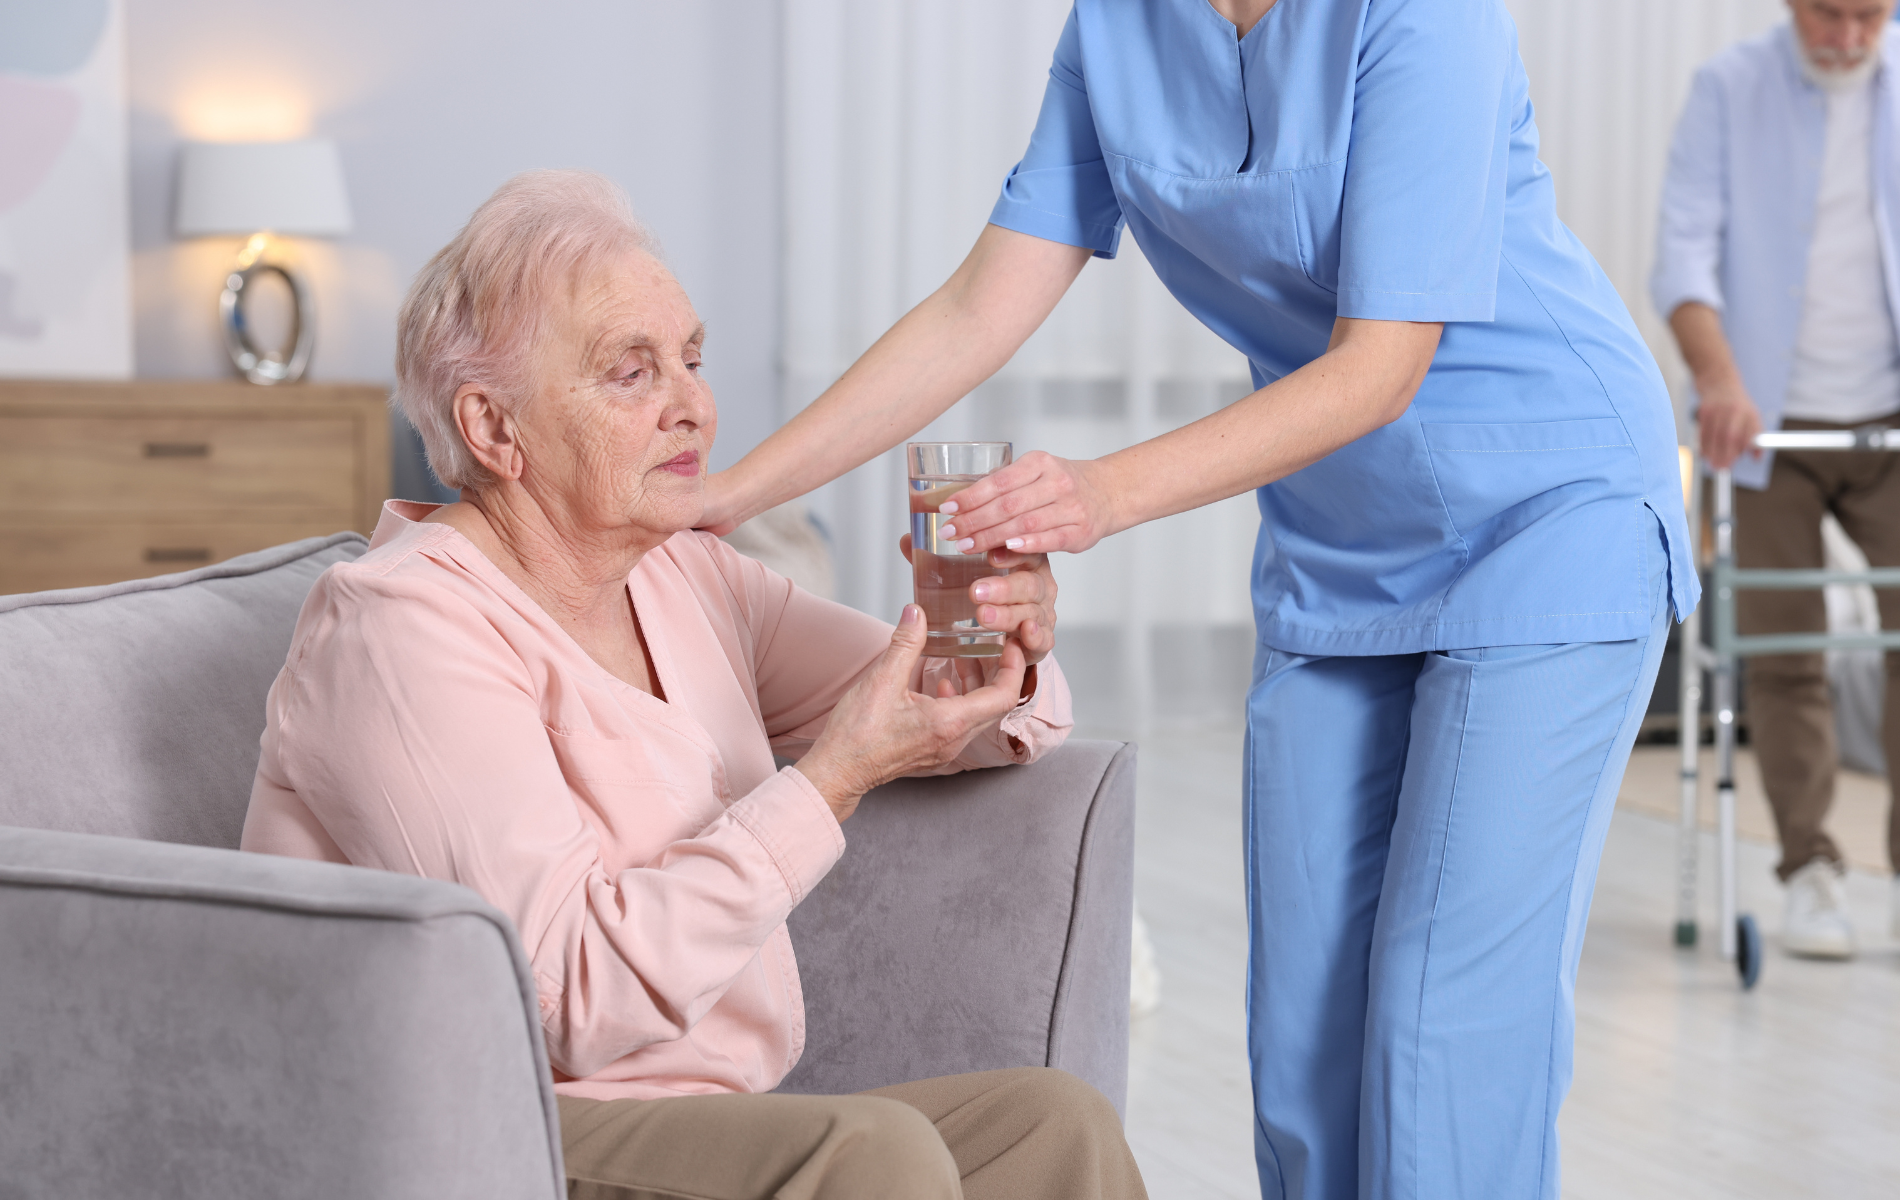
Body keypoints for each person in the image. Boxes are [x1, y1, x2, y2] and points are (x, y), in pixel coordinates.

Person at [703, 2, 1698, 1197]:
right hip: (1337, 553)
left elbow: (1380, 365)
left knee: (1443, 1024)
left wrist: (1100, 496)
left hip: (1548, 511)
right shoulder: (1115, 30)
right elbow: (978, 306)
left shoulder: (1421, 16)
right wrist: (720, 497)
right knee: (1305, 1044)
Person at [239, 170, 1148, 1200]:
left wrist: (990, 638)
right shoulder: (400, 626)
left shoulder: (685, 576)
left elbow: (967, 705)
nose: (694, 408)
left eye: (692, 359)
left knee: (1051, 1127)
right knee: (868, 1156)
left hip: (702, 1121)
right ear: (494, 430)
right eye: (630, 374)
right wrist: (831, 780)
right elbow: (566, 1003)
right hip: (473, 1126)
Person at [1655, 0, 1900, 959]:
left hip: (1888, 419)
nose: (1847, 38)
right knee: (1786, 650)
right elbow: (1680, 257)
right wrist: (1717, 378)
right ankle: (1811, 871)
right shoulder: (1730, 88)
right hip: (1765, 422)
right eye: (1829, 16)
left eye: (1869, 17)